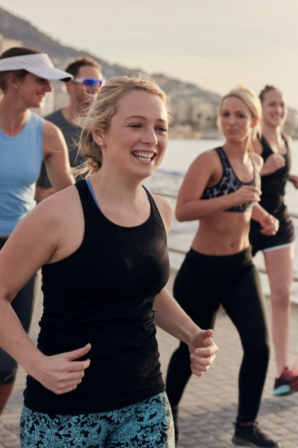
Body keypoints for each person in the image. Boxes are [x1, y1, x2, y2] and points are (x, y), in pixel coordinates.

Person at [0, 75, 219, 447]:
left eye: (160, 127)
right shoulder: (56, 214)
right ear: (99, 134)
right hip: (64, 414)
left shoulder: (159, 210)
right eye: (136, 125)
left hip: (145, 405)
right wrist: (35, 364)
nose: (151, 138)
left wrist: (191, 335)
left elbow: (145, 289)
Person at [165, 86, 281, 448]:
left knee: (259, 347)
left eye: (239, 115)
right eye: (225, 114)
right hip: (202, 271)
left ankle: (245, 425)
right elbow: (183, 209)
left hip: (241, 267)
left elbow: (246, 203)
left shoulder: (257, 163)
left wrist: (263, 217)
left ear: (254, 121)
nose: (231, 122)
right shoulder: (209, 160)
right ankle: (166, 416)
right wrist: (233, 197)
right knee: (190, 349)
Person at [0, 47, 74, 418]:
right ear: (13, 81)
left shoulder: (48, 133)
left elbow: (70, 196)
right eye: (40, 79)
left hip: (20, 247)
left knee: (5, 360)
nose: (48, 87)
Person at [248, 85, 298, 397]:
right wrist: (264, 169)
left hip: (279, 224)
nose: (278, 110)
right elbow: (241, 182)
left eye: (282, 104)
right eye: (272, 105)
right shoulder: (253, 141)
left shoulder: (285, 140)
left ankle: (283, 373)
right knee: (216, 295)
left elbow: (273, 181)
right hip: (249, 223)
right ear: (260, 109)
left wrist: (287, 177)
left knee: (283, 296)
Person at [35, 56, 104, 201]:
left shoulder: (105, 129)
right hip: (52, 209)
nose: (96, 87)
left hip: (92, 212)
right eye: (89, 82)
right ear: (69, 85)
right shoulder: (46, 126)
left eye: (100, 82)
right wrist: (39, 193)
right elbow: (21, 172)